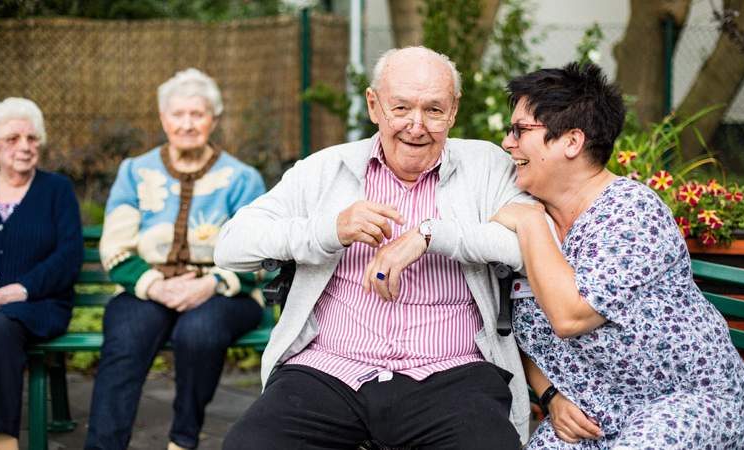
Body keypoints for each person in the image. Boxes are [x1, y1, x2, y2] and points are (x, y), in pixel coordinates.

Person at [215, 46, 537, 450]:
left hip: (452, 372)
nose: (416, 126)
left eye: (434, 110)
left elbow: (532, 245)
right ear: (373, 105)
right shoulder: (326, 169)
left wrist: (431, 234)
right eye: (400, 107)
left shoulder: (488, 167)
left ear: (454, 110)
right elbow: (231, 245)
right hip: (328, 370)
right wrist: (329, 230)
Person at [490, 62, 744, 449]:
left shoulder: (631, 213)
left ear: (571, 141)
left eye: (520, 130)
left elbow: (569, 316)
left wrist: (530, 224)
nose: (507, 143)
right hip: (594, 415)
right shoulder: (530, 211)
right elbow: (512, 332)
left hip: (686, 400)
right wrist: (551, 396)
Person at [84, 68, 267, 450]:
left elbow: (257, 249)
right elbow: (115, 246)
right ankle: (103, 445)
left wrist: (210, 283)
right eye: (178, 115)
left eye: (197, 115)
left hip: (223, 291)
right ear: (163, 119)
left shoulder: (241, 178)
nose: (187, 124)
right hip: (149, 286)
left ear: (213, 120)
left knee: (198, 332)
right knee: (127, 336)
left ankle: (182, 440)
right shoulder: (134, 172)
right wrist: (156, 286)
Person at [0, 98, 83, 450]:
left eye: (32, 138)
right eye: (13, 139)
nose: (25, 147)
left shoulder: (56, 190)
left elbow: (69, 255)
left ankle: (3, 439)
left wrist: (12, 292)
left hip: (41, 304)